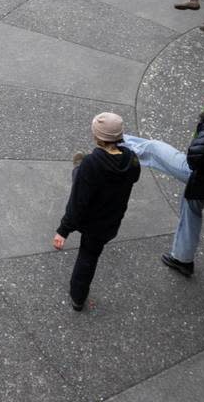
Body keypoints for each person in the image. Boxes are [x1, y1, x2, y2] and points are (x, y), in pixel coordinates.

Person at [122, 69, 204, 279]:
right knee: (192, 209)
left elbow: (194, 158)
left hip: (202, 176)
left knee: (155, 148)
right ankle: (183, 259)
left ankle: (117, 141)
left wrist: (200, 142)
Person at [53, 112, 140, 310]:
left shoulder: (93, 163)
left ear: (97, 137)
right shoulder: (131, 159)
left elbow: (78, 203)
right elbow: (133, 178)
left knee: (87, 258)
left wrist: (63, 230)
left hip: (91, 221)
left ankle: (77, 297)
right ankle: (78, 298)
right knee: (91, 255)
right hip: (111, 221)